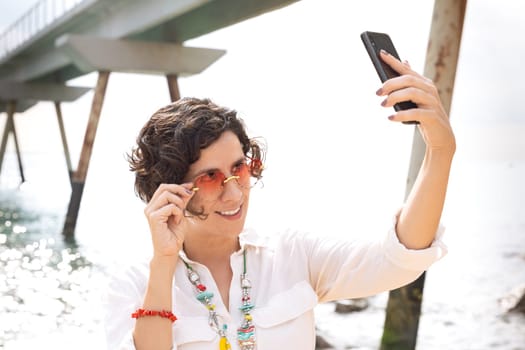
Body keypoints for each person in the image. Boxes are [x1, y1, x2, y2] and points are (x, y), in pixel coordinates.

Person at [104, 50, 455, 350]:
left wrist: (440, 152)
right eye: (210, 177)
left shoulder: (292, 256)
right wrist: (165, 263)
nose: (234, 192)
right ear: (170, 190)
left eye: (239, 168)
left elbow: (399, 258)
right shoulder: (135, 285)